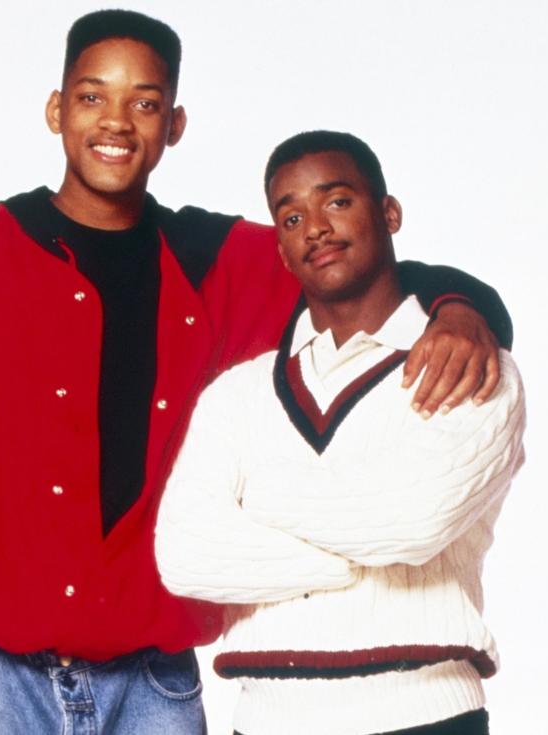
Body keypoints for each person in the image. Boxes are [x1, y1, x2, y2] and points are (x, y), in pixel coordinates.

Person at [0, 11, 513, 735]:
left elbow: (358, 273)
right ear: (57, 109)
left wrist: (461, 305)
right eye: (93, 96)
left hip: (155, 686)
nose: (116, 121)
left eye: (145, 102)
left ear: (175, 123)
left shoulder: (217, 262)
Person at [154, 130, 526, 735]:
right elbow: (187, 555)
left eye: (338, 201)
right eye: (292, 215)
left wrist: (259, 497)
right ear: (280, 248)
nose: (316, 228)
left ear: (389, 212)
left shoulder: (473, 362)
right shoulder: (237, 394)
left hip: (426, 713)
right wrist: (360, 560)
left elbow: (411, 521)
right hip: (265, 718)